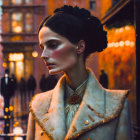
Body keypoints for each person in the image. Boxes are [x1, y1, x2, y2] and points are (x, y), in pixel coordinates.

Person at [27, 5, 132, 140]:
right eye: (42, 47)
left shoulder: (116, 105)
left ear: (80, 46)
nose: (43, 55)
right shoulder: (38, 105)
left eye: (53, 45)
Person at [0, 69, 13, 134]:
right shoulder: (2, 80)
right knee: (6, 103)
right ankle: (6, 112)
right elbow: (1, 87)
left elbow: (12, 87)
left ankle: (7, 113)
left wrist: (11, 93)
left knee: (7, 103)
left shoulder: (10, 80)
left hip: (8, 94)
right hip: (5, 94)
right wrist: (2, 93)